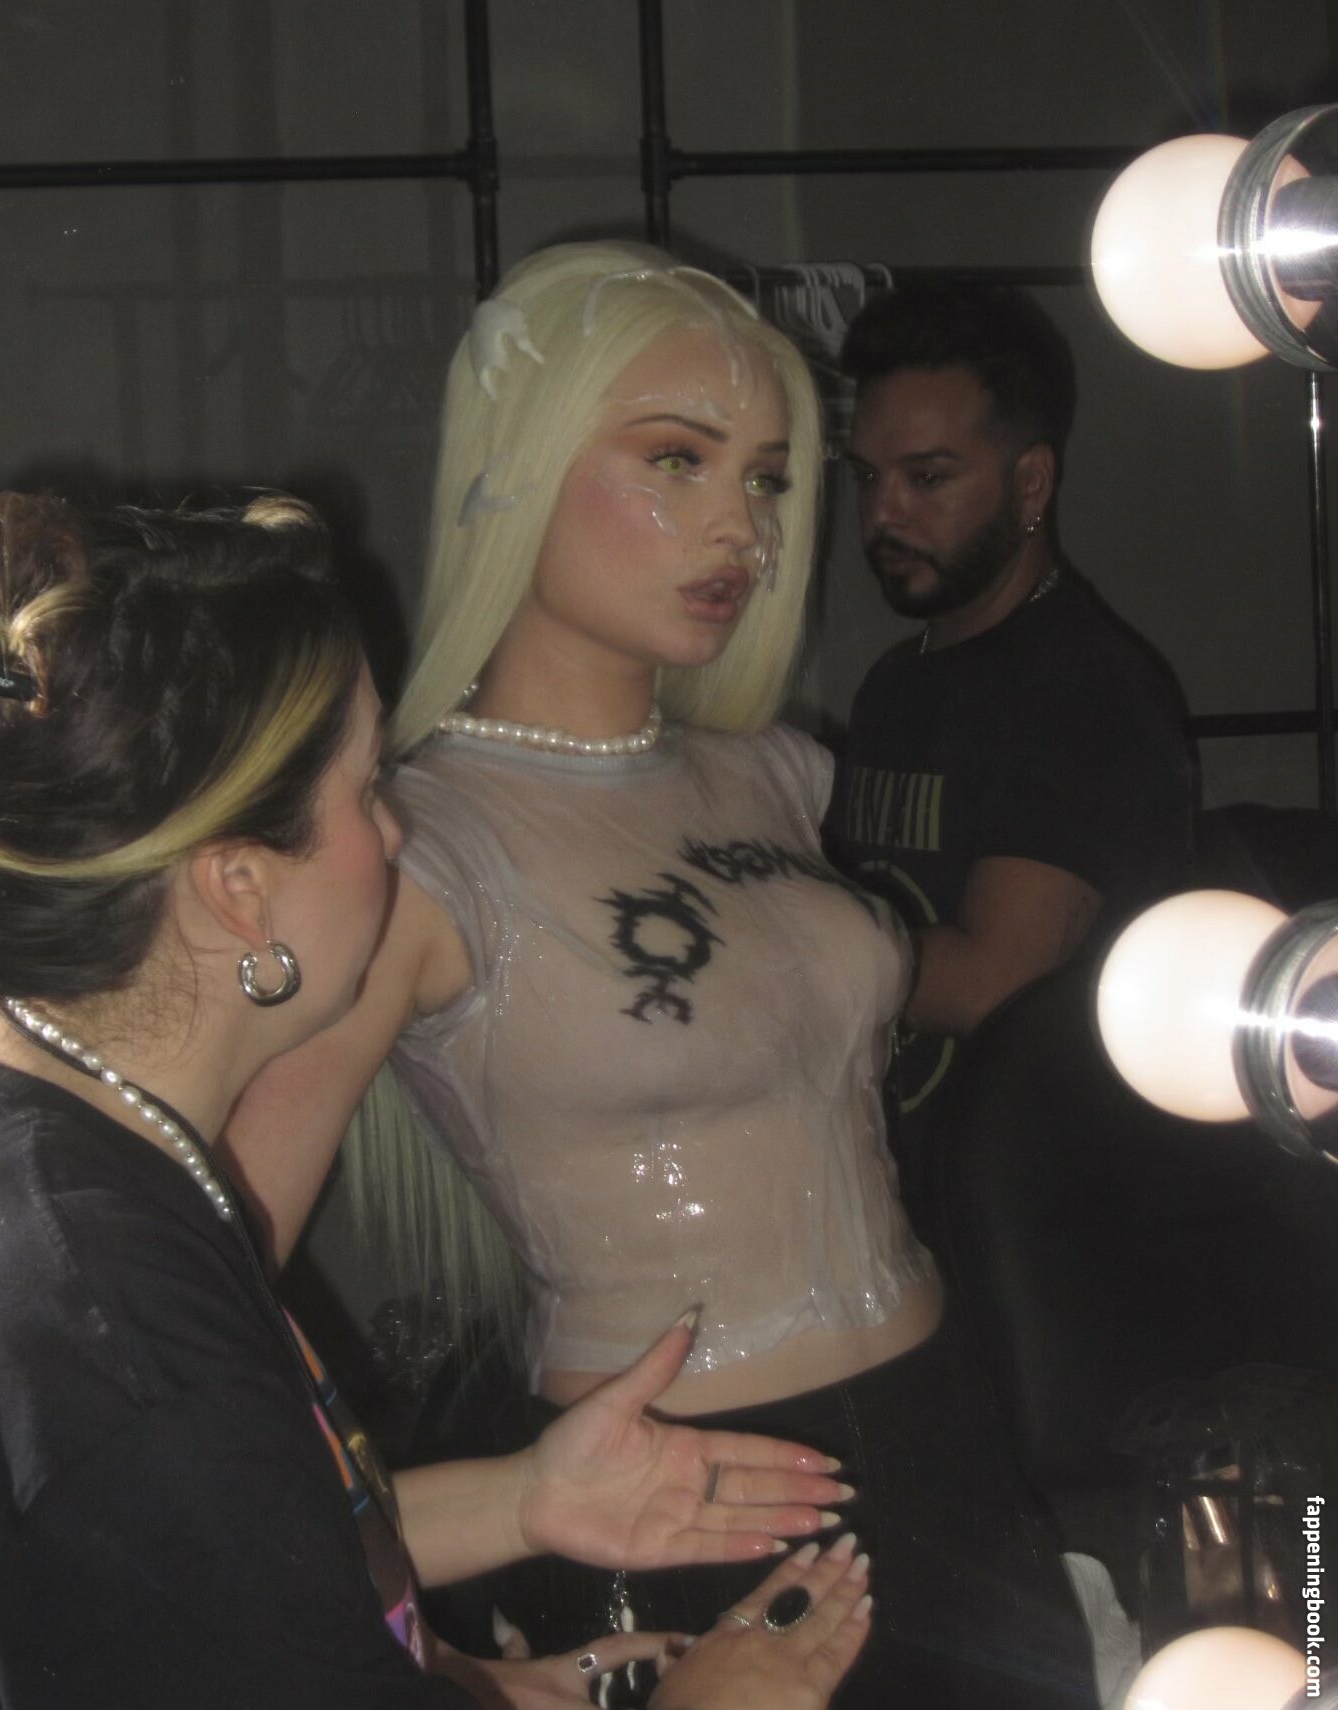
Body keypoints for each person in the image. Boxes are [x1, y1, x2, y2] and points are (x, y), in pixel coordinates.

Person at [229, 242, 1100, 1709]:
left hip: (946, 1428)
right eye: (676, 460)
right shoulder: (418, 846)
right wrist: (407, 1615)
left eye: (766, 478)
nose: (740, 528)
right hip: (683, 1496)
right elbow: (200, 1280)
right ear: (514, 470)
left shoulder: (780, 772)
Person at [0, 489, 872, 1710]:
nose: (393, 837)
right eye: (365, 792)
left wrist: (522, 1510)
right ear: (241, 890)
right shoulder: (122, 1339)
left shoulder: (59, 1130)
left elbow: (231, 1580)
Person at [821, 281, 1195, 1235]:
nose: (882, 514)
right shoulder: (895, 682)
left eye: (927, 478)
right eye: (866, 477)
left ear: (1030, 483)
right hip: (899, 1214)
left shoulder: (1086, 688)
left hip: (1046, 1235)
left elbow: (997, 985)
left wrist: (761, 938)